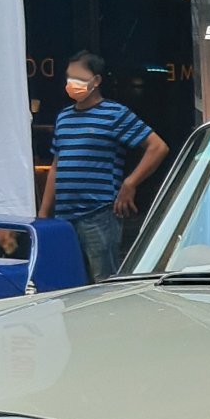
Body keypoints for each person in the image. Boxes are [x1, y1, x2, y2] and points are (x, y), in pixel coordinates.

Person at [38, 51, 168, 281]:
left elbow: (157, 147)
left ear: (96, 80)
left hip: (98, 214)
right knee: (68, 282)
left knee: (103, 283)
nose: (72, 83)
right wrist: (44, 214)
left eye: (79, 77)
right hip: (64, 218)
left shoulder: (115, 114)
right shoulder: (64, 118)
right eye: (70, 77)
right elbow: (56, 167)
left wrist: (130, 183)